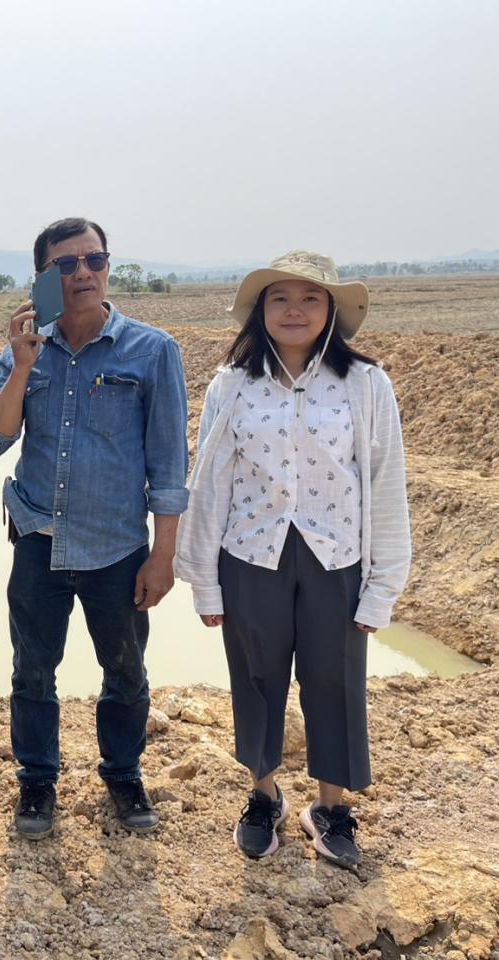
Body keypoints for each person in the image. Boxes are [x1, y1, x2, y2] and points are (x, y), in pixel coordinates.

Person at [175, 251, 410, 868]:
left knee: (335, 679)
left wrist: (382, 586)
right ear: (261, 312)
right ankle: (264, 796)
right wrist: (204, 581)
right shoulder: (233, 384)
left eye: (310, 298)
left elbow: (386, 483)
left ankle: (330, 808)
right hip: (251, 554)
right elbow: (211, 481)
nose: (294, 310)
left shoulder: (366, 384)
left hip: (337, 557)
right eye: (279, 298)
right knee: (257, 678)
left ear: (332, 309)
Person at [0, 217, 189, 840]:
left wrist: (164, 556)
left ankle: (123, 772)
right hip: (38, 540)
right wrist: (22, 366)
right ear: (43, 277)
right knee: (32, 671)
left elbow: (168, 464)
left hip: (117, 547)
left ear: (107, 266)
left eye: (93, 260)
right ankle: (37, 780)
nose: (83, 273)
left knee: (125, 669)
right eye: (65, 265)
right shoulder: (24, 350)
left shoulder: (152, 351)